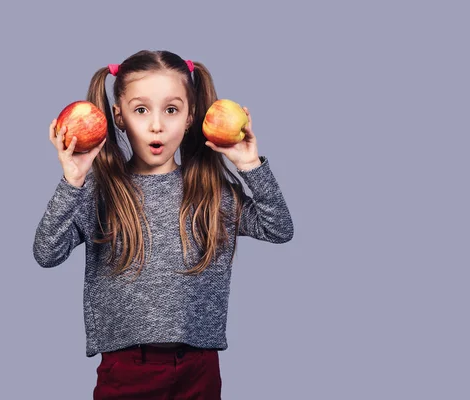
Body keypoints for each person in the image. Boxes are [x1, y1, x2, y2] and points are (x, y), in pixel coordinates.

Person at [33, 49, 294, 399]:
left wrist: (250, 165)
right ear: (119, 116)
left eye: (171, 110)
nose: (157, 125)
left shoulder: (210, 191)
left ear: (189, 118)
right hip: (125, 368)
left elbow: (278, 228)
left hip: (198, 368)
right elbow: (46, 253)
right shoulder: (101, 190)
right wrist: (72, 181)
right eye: (141, 110)